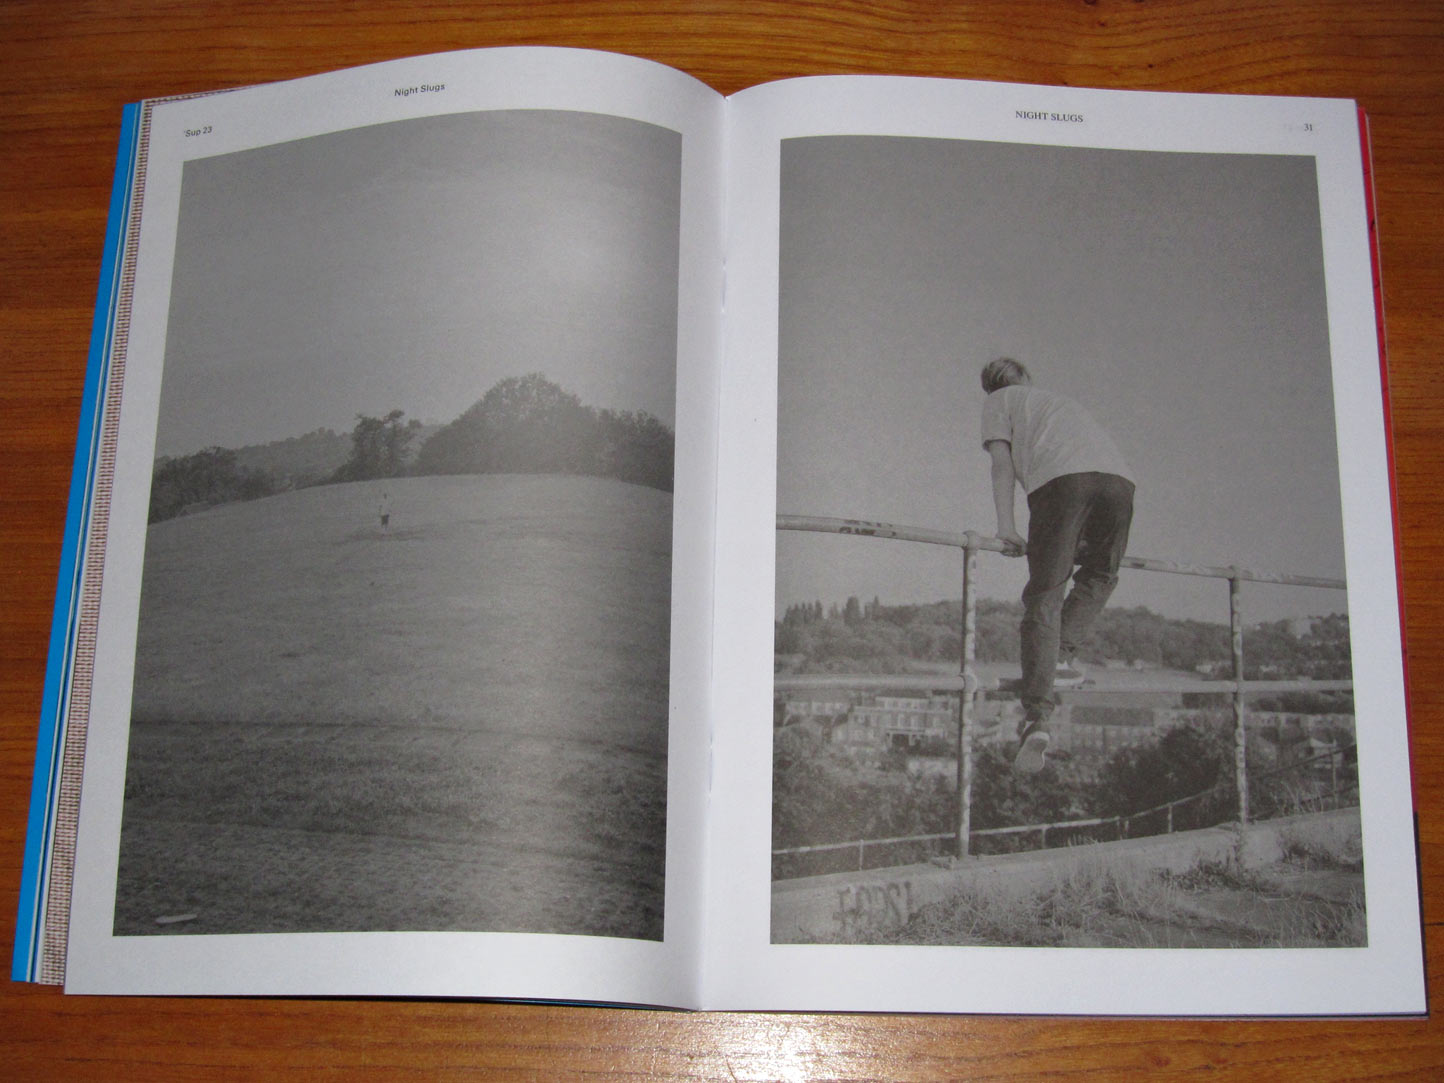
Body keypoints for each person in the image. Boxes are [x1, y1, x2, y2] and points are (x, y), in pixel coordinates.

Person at [979, 357, 1135, 773]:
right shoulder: (1057, 403)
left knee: (1046, 592)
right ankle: (1060, 658)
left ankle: (1037, 717)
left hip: (1062, 485)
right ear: (1027, 378)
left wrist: (1006, 527)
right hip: (1119, 482)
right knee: (1101, 573)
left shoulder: (999, 400)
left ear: (992, 386)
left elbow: (1001, 466)